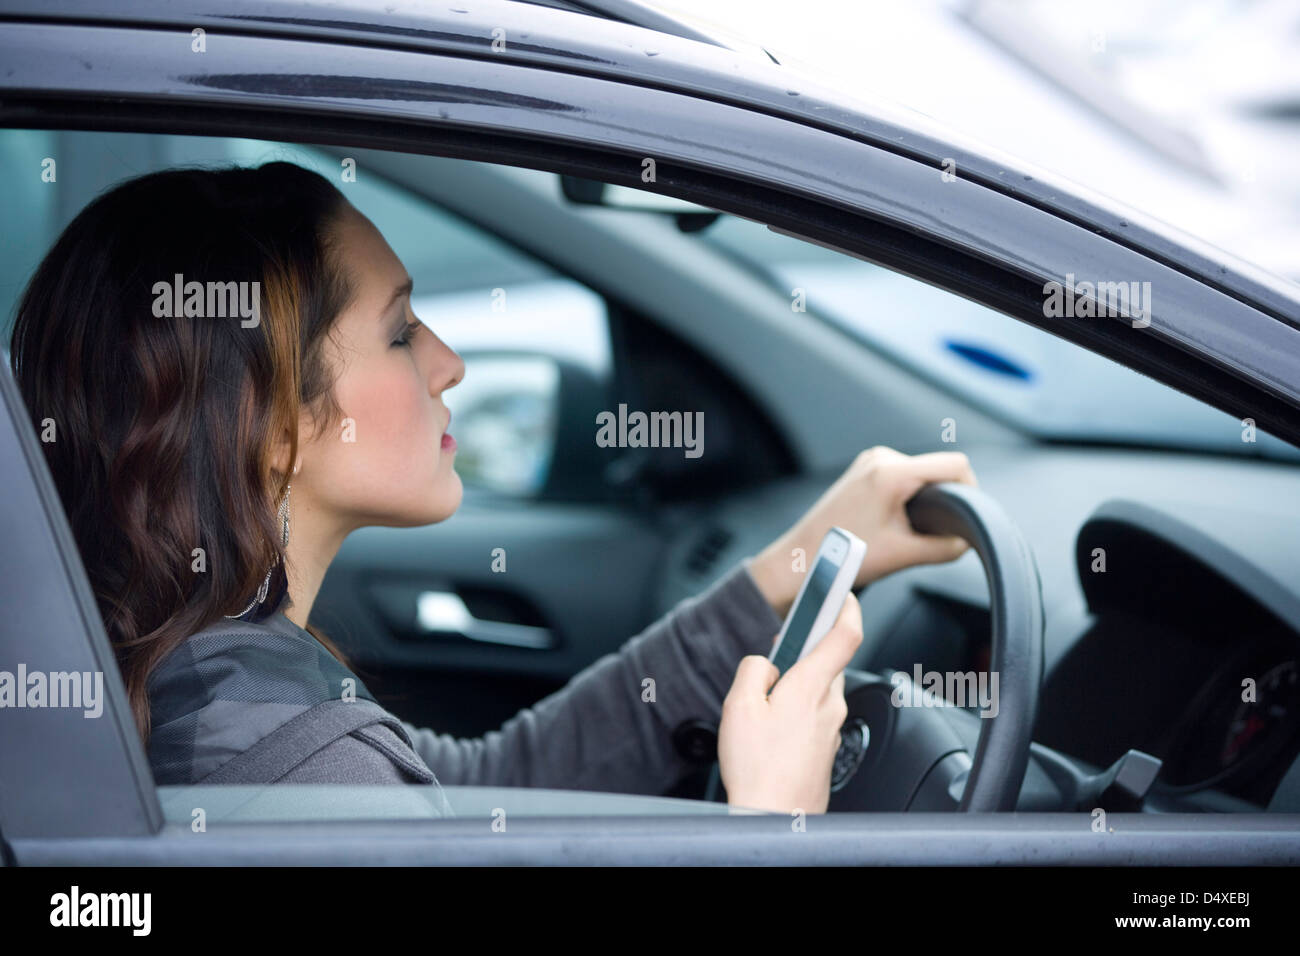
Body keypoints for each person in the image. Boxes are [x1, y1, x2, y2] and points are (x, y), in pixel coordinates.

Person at [8, 161, 976, 815]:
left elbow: (487, 782)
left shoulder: (218, 682)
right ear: (272, 427)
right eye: (398, 331)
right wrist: (770, 824)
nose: (451, 360)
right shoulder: (304, 780)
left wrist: (785, 568)